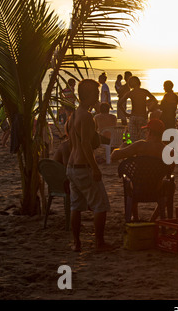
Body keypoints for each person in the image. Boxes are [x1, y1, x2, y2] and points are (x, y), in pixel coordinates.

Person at [66, 79, 111, 252]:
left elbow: (72, 143)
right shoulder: (86, 116)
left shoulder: (74, 115)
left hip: (72, 166)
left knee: (76, 206)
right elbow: (85, 144)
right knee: (100, 204)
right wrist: (95, 168)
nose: (98, 97)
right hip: (83, 167)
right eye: (96, 94)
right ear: (89, 95)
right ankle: (100, 243)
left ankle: (77, 243)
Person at [111, 119, 175, 222]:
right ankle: (153, 219)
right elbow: (169, 172)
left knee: (133, 178)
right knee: (171, 185)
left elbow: (113, 156)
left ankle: (135, 218)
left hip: (137, 187)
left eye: (146, 131)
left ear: (149, 132)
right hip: (156, 187)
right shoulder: (169, 151)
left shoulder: (140, 145)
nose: (145, 133)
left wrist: (121, 147)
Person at [118, 76, 158, 142]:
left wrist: (126, 114)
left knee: (133, 139)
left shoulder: (130, 93)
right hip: (142, 116)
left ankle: (135, 151)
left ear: (130, 84)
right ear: (139, 83)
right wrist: (149, 110)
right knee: (142, 139)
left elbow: (119, 104)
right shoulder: (144, 91)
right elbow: (155, 101)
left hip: (133, 117)